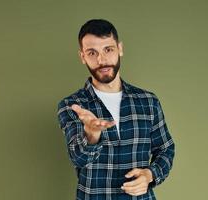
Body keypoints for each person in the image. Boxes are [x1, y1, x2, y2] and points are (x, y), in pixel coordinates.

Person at [57, 19, 175, 200]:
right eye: (92, 52)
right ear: (82, 56)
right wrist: (91, 134)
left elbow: (165, 149)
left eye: (108, 49)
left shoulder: (148, 101)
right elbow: (78, 159)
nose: (101, 60)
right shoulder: (72, 105)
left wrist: (150, 175)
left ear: (120, 48)